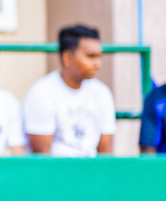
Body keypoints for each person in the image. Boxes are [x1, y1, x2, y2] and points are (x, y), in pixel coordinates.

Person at [24, 24, 115, 156]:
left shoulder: (102, 92)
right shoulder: (42, 92)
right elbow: (42, 158)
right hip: (57, 174)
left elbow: (105, 154)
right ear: (67, 58)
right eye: (90, 56)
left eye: (99, 56)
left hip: (92, 173)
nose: (97, 63)